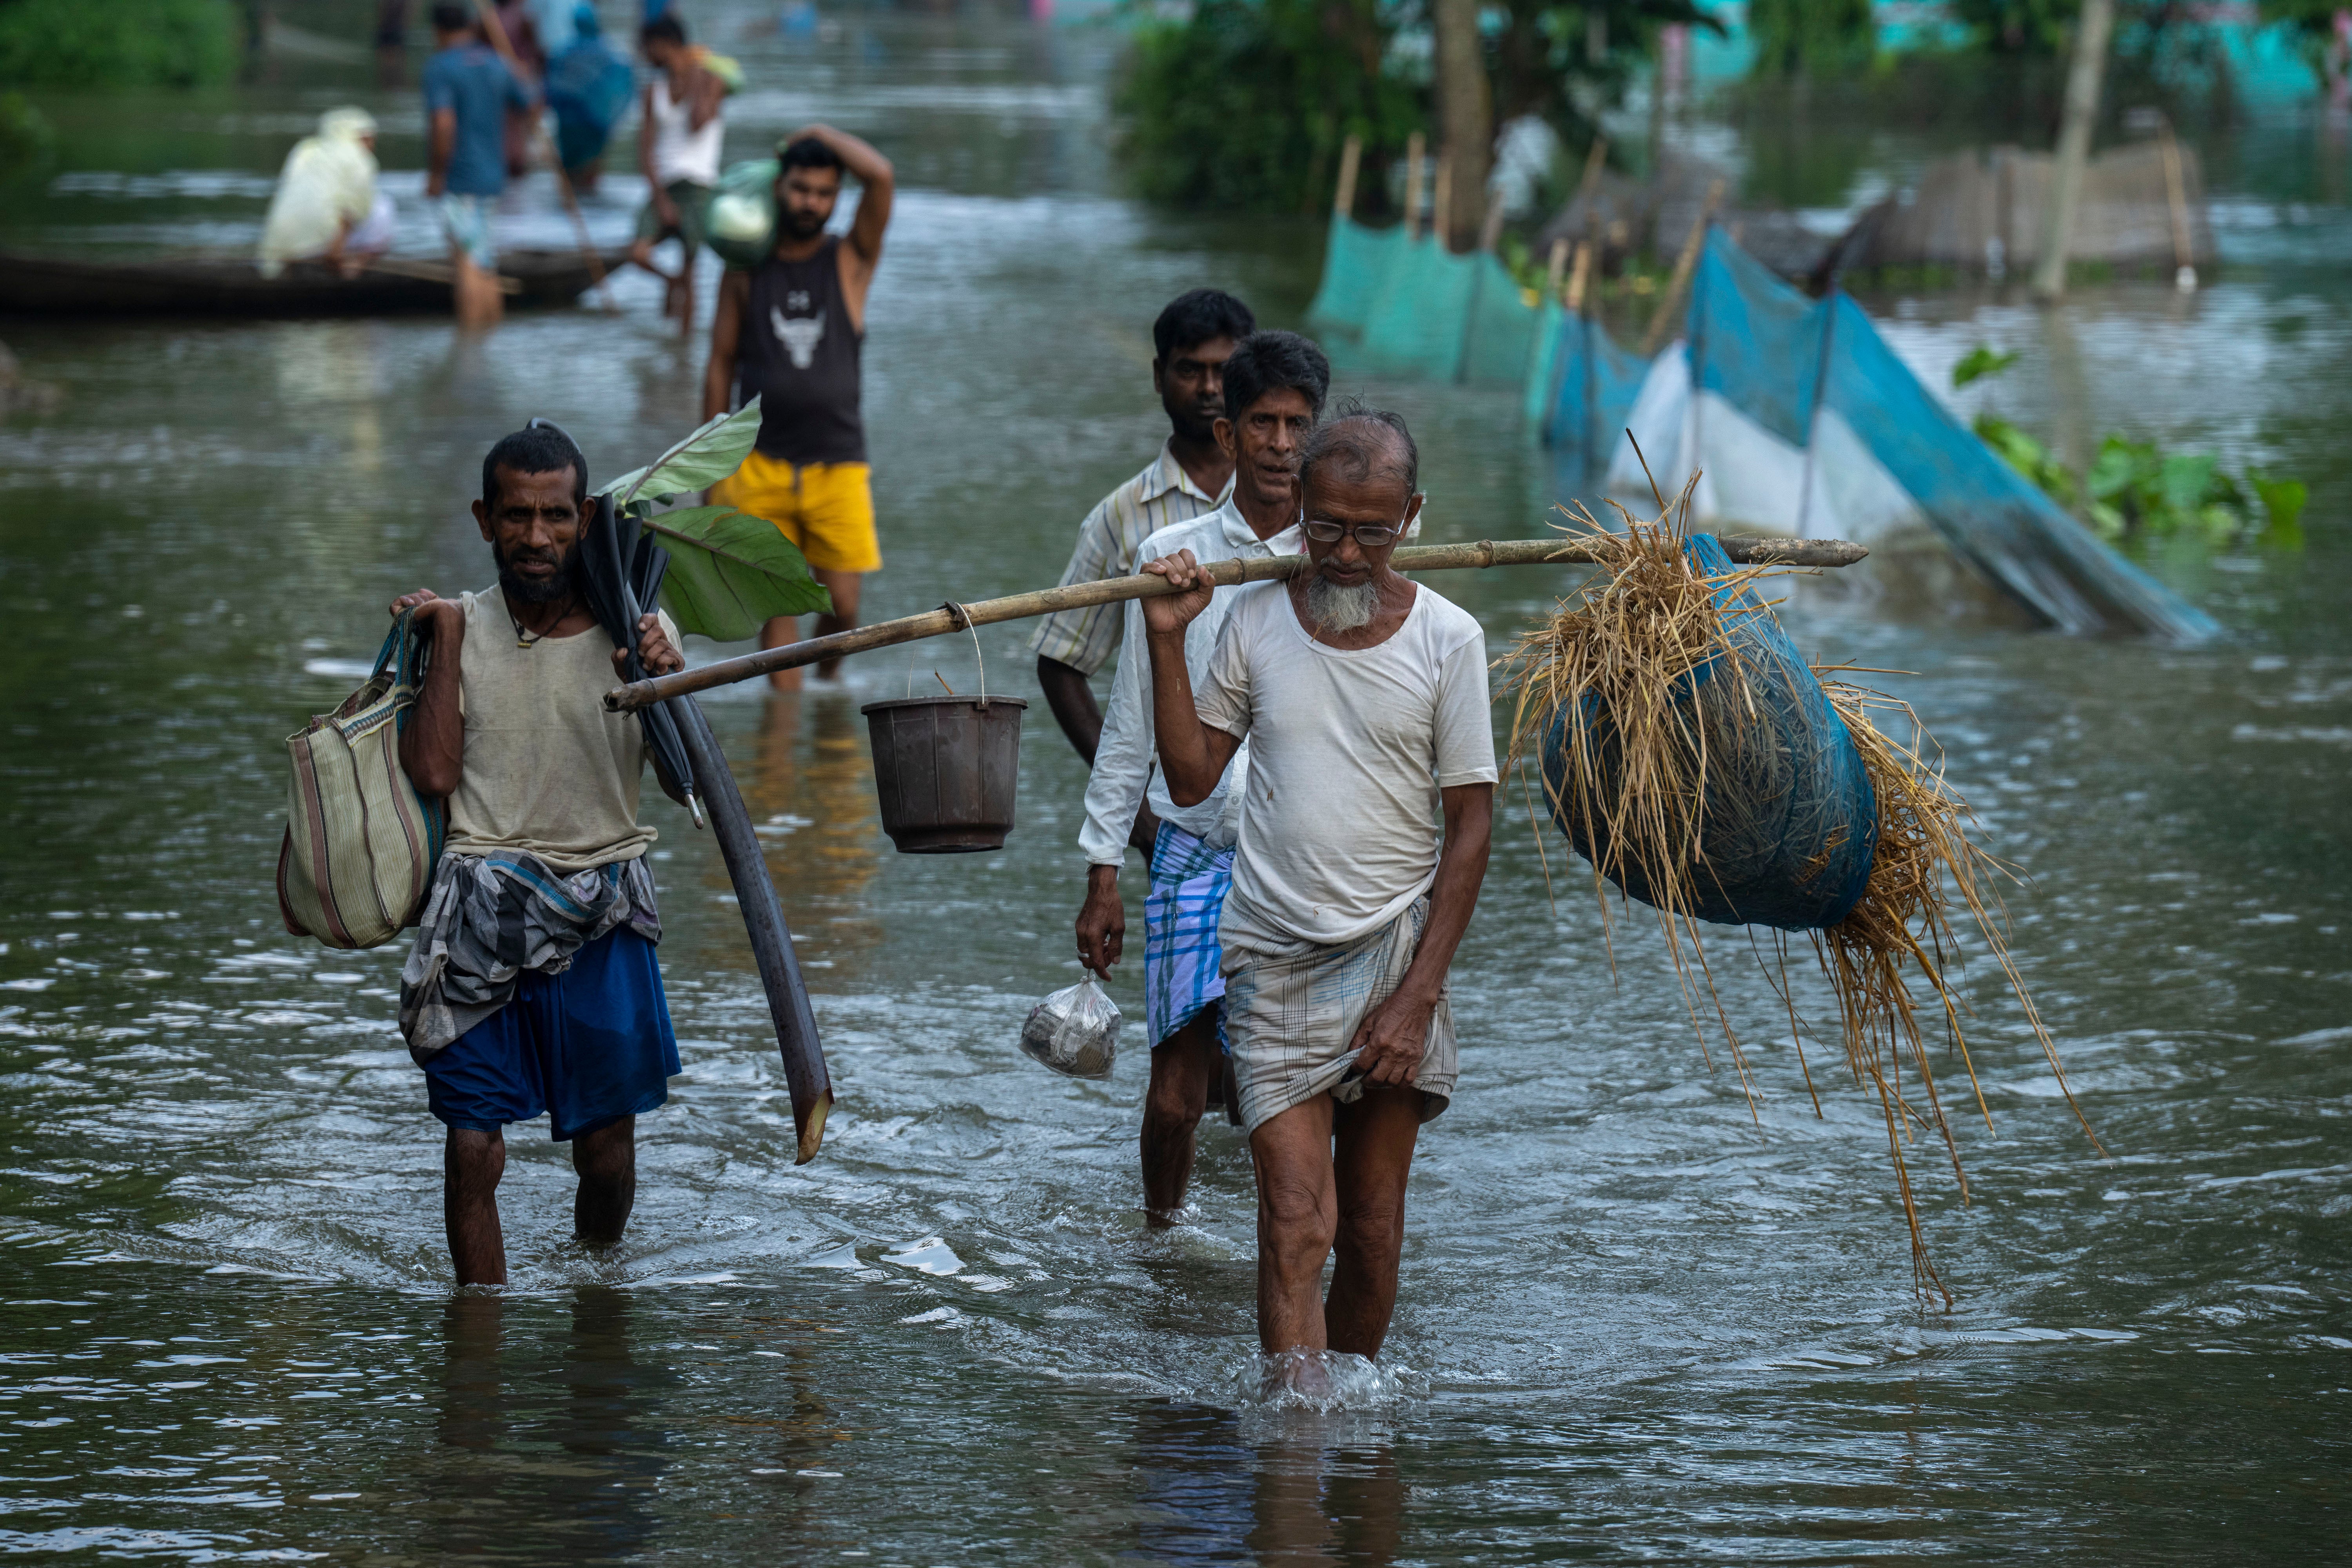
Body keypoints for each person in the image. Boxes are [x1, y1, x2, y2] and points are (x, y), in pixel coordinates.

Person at [1138, 406, 1497, 1367]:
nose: (1344, 552)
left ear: (1411, 517)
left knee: (1373, 1232)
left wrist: (1418, 997)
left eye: (1372, 531)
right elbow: (1189, 779)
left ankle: (1351, 1420)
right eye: (1326, 525)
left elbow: (1471, 826)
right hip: (1272, 958)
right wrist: (1167, 636)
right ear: (1296, 506)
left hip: (1396, 959)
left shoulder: (1448, 639)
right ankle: (1297, 1445)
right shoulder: (1253, 620)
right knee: (1298, 1225)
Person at [388, 424, 688, 1287]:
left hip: (602, 907)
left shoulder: (640, 630)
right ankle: (476, 1347)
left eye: (555, 516)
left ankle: (599, 1294)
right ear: (485, 518)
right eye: (516, 515)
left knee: (605, 1153)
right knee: (474, 1149)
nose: (535, 536)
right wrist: (442, 637)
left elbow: (681, 783)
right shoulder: (456, 625)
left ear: (584, 517)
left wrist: (663, 681)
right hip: (476, 912)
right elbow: (435, 770)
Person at [1074, 330, 1326, 1227]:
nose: (1281, 445)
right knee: (1177, 1094)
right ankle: (1161, 1236)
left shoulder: (1337, 557)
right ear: (1228, 435)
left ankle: (1291, 1241)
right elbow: (1133, 725)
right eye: (1263, 423)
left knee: (1295, 1088)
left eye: (1300, 425)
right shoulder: (1174, 557)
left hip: (1306, 857)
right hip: (1196, 848)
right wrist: (1104, 873)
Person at [1031, 288, 1254, 780]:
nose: (1209, 388)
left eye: (1224, 371)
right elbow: (1061, 661)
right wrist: (1138, 817)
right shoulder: (1120, 517)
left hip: (1283, 795)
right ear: (1160, 376)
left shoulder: (1296, 502)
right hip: (1175, 798)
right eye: (1190, 369)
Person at [702, 126, 895, 689]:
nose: (811, 202)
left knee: (845, 611)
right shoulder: (744, 266)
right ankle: (781, 752)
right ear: (777, 188)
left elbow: (880, 176)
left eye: (824, 192)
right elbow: (719, 363)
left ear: (836, 199)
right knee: (774, 613)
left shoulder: (850, 260)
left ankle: (828, 686)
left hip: (837, 464)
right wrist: (711, 464)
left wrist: (815, 135)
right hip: (757, 461)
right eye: (800, 188)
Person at [423, 3, 537, 328]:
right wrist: (520, 73)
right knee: (485, 263)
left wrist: (436, 174)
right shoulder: (498, 63)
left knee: (467, 266)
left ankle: (471, 350)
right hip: (492, 178)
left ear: (439, 32)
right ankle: (486, 344)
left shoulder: (441, 68)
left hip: (462, 180)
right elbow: (529, 102)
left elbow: (444, 125)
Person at [630, 13, 726, 328]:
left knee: (690, 273)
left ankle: (681, 357)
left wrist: (698, 77)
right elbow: (645, 152)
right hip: (665, 187)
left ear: (664, 45)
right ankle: (670, 284)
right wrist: (660, 200)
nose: (645, 56)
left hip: (699, 186)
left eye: (648, 48)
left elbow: (699, 123)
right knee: (639, 253)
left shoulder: (712, 81)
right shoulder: (653, 92)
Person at [256, 107, 396, 279]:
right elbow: (351, 207)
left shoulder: (304, 150)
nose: (372, 146)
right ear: (360, 137)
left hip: (284, 250)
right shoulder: (358, 158)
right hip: (324, 251)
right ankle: (360, 261)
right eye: (369, 139)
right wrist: (336, 253)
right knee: (383, 206)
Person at [545, 4, 634, 194]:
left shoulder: (563, 53)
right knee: (590, 176)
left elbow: (551, 87)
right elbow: (623, 84)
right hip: (595, 126)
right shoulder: (609, 54)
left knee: (568, 175)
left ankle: (572, 203)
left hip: (568, 125)